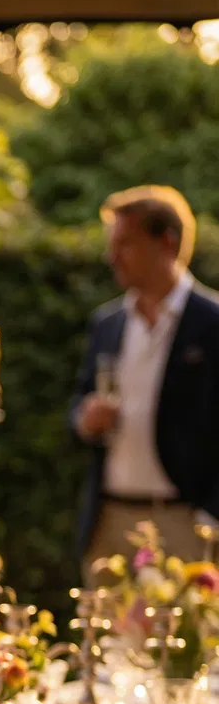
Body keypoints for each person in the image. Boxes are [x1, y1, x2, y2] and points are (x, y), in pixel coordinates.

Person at [70, 185, 219, 568]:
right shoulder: (107, 323)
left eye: (125, 244)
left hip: (184, 521)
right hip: (109, 521)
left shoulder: (212, 322)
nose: (112, 257)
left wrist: (211, 515)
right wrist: (85, 419)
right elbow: (79, 402)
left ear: (167, 243)